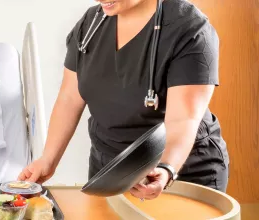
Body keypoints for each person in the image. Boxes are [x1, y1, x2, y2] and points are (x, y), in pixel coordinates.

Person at [18, 0, 229, 201]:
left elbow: (183, 119)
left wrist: (167, 168)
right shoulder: (91, 24)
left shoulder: (189, 30)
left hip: (179, 172)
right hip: (109, 172)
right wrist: (48, 160)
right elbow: (70, 98)